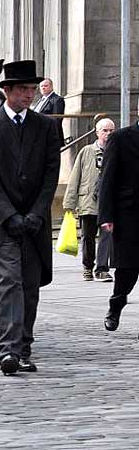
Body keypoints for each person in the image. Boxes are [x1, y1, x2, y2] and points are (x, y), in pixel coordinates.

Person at [0, 60, 61, 376]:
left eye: (31, 89)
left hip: (35, 222)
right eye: (23, 89)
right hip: (4, 222)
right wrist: (9, 215)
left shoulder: (47, 126)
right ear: (7, 91)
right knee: (10, 282)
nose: (29, 94)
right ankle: (8, 351)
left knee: (29, 286)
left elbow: (51, 174)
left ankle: (24, 348)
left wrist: (38, 213)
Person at [99, 99, 139, 338]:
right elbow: (107, 180)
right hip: (129, 215)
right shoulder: (121, 138)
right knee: (127, 270)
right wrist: (106, 216)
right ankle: (116, 304)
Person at [64, 118, 115, 282]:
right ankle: (87, 266)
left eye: (111, 130)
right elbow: (75, 177)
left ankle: (102, 268)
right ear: (97, 132)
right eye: (105, 130)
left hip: (108, 202)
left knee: (106, 235)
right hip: (88, 201)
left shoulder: (117, 151)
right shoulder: (86, 151)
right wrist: (69, 203)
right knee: (88, 236)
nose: (108, 134)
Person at [32, 78, 66, 145]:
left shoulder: (57, 100)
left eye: (46, 86)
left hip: (49, 137)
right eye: (41, 86)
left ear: (51, 87)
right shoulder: (40, 100)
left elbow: (57, 120)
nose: (43, 88)